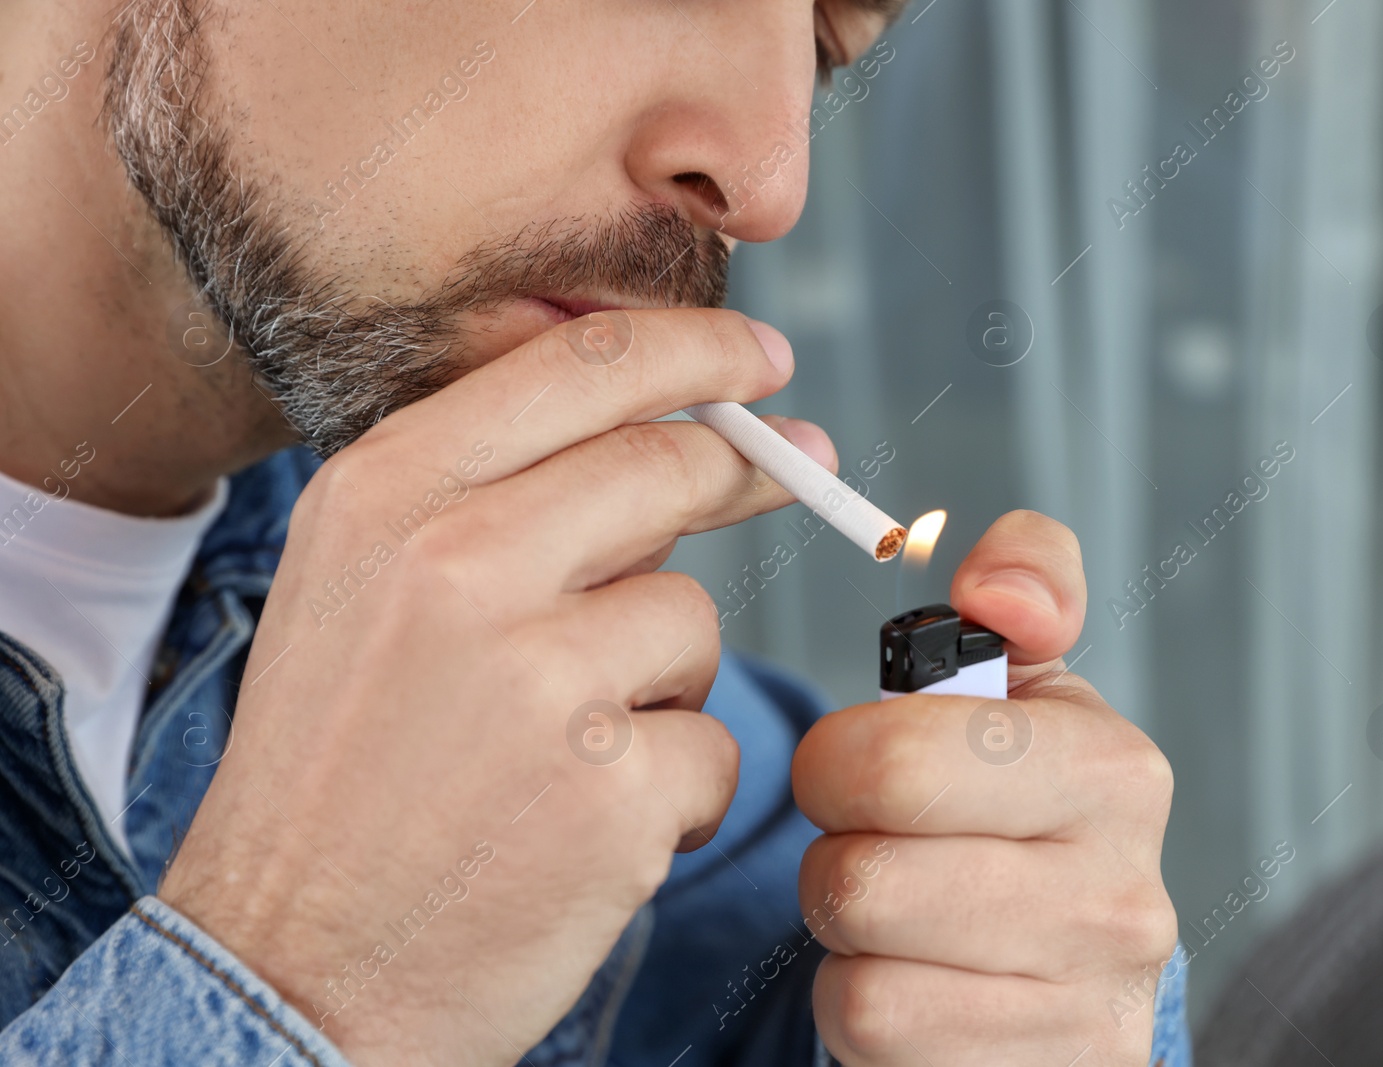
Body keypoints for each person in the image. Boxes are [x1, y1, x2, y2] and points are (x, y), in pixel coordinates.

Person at [0, 0, 1190, 1062]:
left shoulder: (671, 802)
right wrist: (296, 984)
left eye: (824, 49)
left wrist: (1027, 979)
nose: (770, 184)